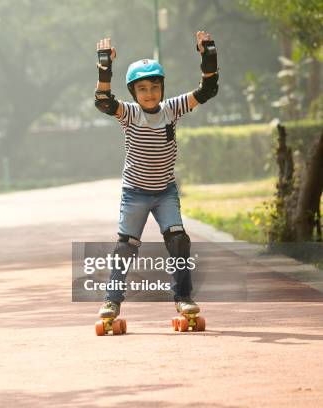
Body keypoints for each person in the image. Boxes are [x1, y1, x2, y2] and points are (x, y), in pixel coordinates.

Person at [94, 31, 219, 320]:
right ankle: (112, 301)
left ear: (162, 88)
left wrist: (208, 55)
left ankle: (183, 299)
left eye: (154, 87)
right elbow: (103, 101)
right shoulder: (129, 113)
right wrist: (104, 68)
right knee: (126, 246)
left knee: (178, 240)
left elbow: (207, 90)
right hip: (135, 192)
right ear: (133, 93)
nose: (149, 94)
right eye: (142, 89)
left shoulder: (172, 108)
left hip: (165, 191)